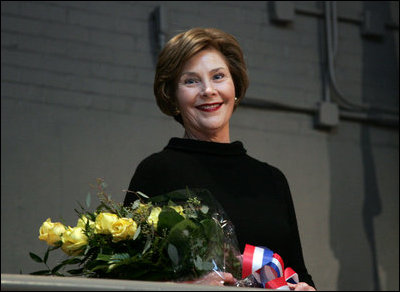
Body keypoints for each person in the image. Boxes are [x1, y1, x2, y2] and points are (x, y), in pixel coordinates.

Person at [123, 27, 316, 290]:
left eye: (218, 76)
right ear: (173, 97)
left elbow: (299, 271)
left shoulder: (272, 180)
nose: (208, 90)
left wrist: (306, 288)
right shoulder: (156, 171)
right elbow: (126, 275)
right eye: (191, 81)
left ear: (234, 86)